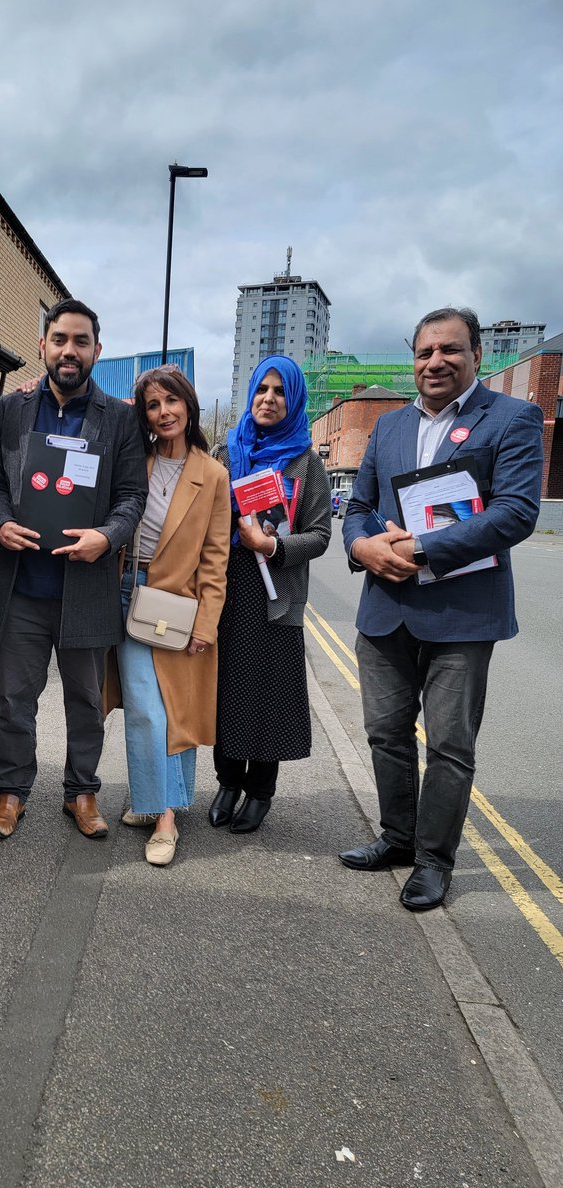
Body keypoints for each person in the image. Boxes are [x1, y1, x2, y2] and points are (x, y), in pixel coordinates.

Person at [339, 307, 544, 911]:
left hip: (461, 613)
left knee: (450, 745)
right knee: (385, 734)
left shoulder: (511, 418)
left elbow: (515, 513)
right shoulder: (390, 426)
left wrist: (422, 550)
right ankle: (398, 839)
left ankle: (434, 861)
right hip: (386, 609)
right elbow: (359, 506)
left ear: (477, 355)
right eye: (425, 352)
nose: (436, 362)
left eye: (450, 350)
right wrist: (361, 546)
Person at [0, 298, 147, 840]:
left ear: (98, 350)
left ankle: (81, 793)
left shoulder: (120, 418)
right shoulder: (11, 409)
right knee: (16, 698)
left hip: (86, 587)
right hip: (22, 588)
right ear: (42, 346)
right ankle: (11, 792)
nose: (69, 351)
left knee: (84, 702)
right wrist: (0, 522)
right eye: (60, 340)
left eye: (80, 342)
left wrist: (107, 536)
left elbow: (131, 496)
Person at [209, 355, 332, 834]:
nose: (269, 399)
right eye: (262, 389)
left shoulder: (306, 462)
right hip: (225, 589)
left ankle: (260, 791)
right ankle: (226, 782)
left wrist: (273, 545)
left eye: (280, 392)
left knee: (266, 697)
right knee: (224, 692)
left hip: (274, 597)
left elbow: (320, 535)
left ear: (294, 399)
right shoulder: (227, 453)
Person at [114, 366, 230, 865]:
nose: (163, 413)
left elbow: (215, 558)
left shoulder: (213, 474)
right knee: (146, 706)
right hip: (124, 593)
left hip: (179, 606)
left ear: (189, 405)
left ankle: (160, 814)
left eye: (171, 402)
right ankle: (160, 805)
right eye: (153, 405)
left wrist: (206, 624)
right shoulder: (130, 460)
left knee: (173, 709)